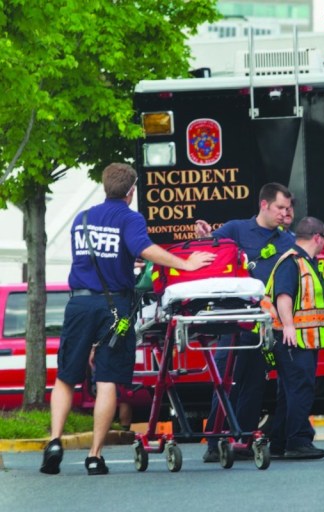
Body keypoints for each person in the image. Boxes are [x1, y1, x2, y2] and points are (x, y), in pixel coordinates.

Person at [40, 163, 215, 476]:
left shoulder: (81, 219)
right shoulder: (130, 218)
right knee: (106, 379)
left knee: (66, 376)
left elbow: (99, 256)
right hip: (114, 308)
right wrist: (185, 263)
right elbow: (144, 249)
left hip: (78, 304)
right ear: (131, 191)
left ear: (105, 186)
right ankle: (94, 456)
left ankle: (54, 441)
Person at [195, 182, 294, 462]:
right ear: (264, 205)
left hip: (263, 322)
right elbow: (211, 249)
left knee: (254, 383)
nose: (284, 214)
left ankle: (243, 439)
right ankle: (214, 443)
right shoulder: (236, 229)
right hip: (233, 318)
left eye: (287, 209)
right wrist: (204, 236)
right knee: (226, 380)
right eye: (280, 208)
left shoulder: (286, 240)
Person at [264, 217, 324, 459]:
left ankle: (278, 442)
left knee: (289, 391)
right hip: (293, 338)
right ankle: (298, 440)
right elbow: (283, 296)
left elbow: (317, 302)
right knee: (301, 388)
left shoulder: (308, 262)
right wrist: (288, 326)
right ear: (318, 237)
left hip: (302, 338)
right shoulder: (293, 262)